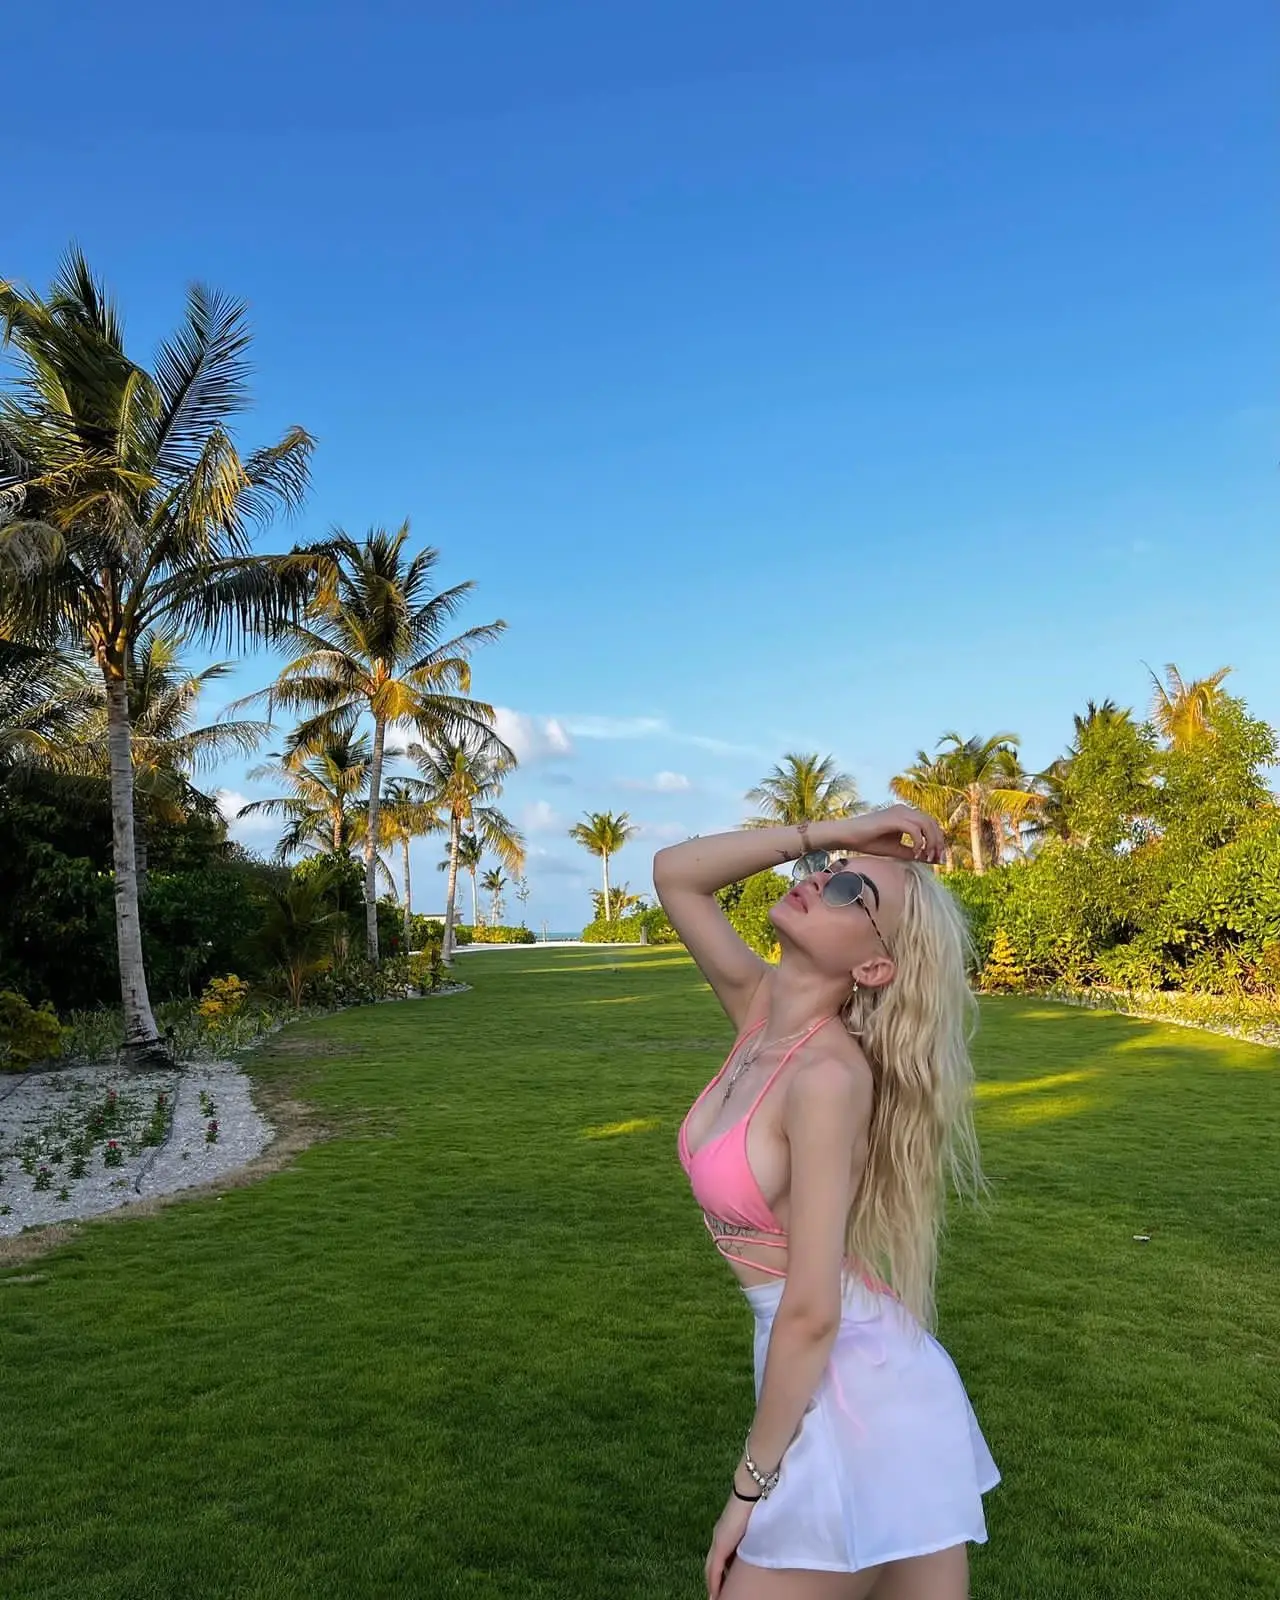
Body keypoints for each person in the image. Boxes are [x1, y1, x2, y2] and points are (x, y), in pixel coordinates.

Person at [654, 805, 1000, 1600]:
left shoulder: (827, 1079)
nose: (820, 881)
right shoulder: (759, 1014)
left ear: (875, 968)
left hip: (856, 1396)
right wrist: (839, 833)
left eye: (852, 891)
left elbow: (811, 1311)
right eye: (829, 870)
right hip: (857, 1377)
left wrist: (746, 1493)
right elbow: (676, 874)